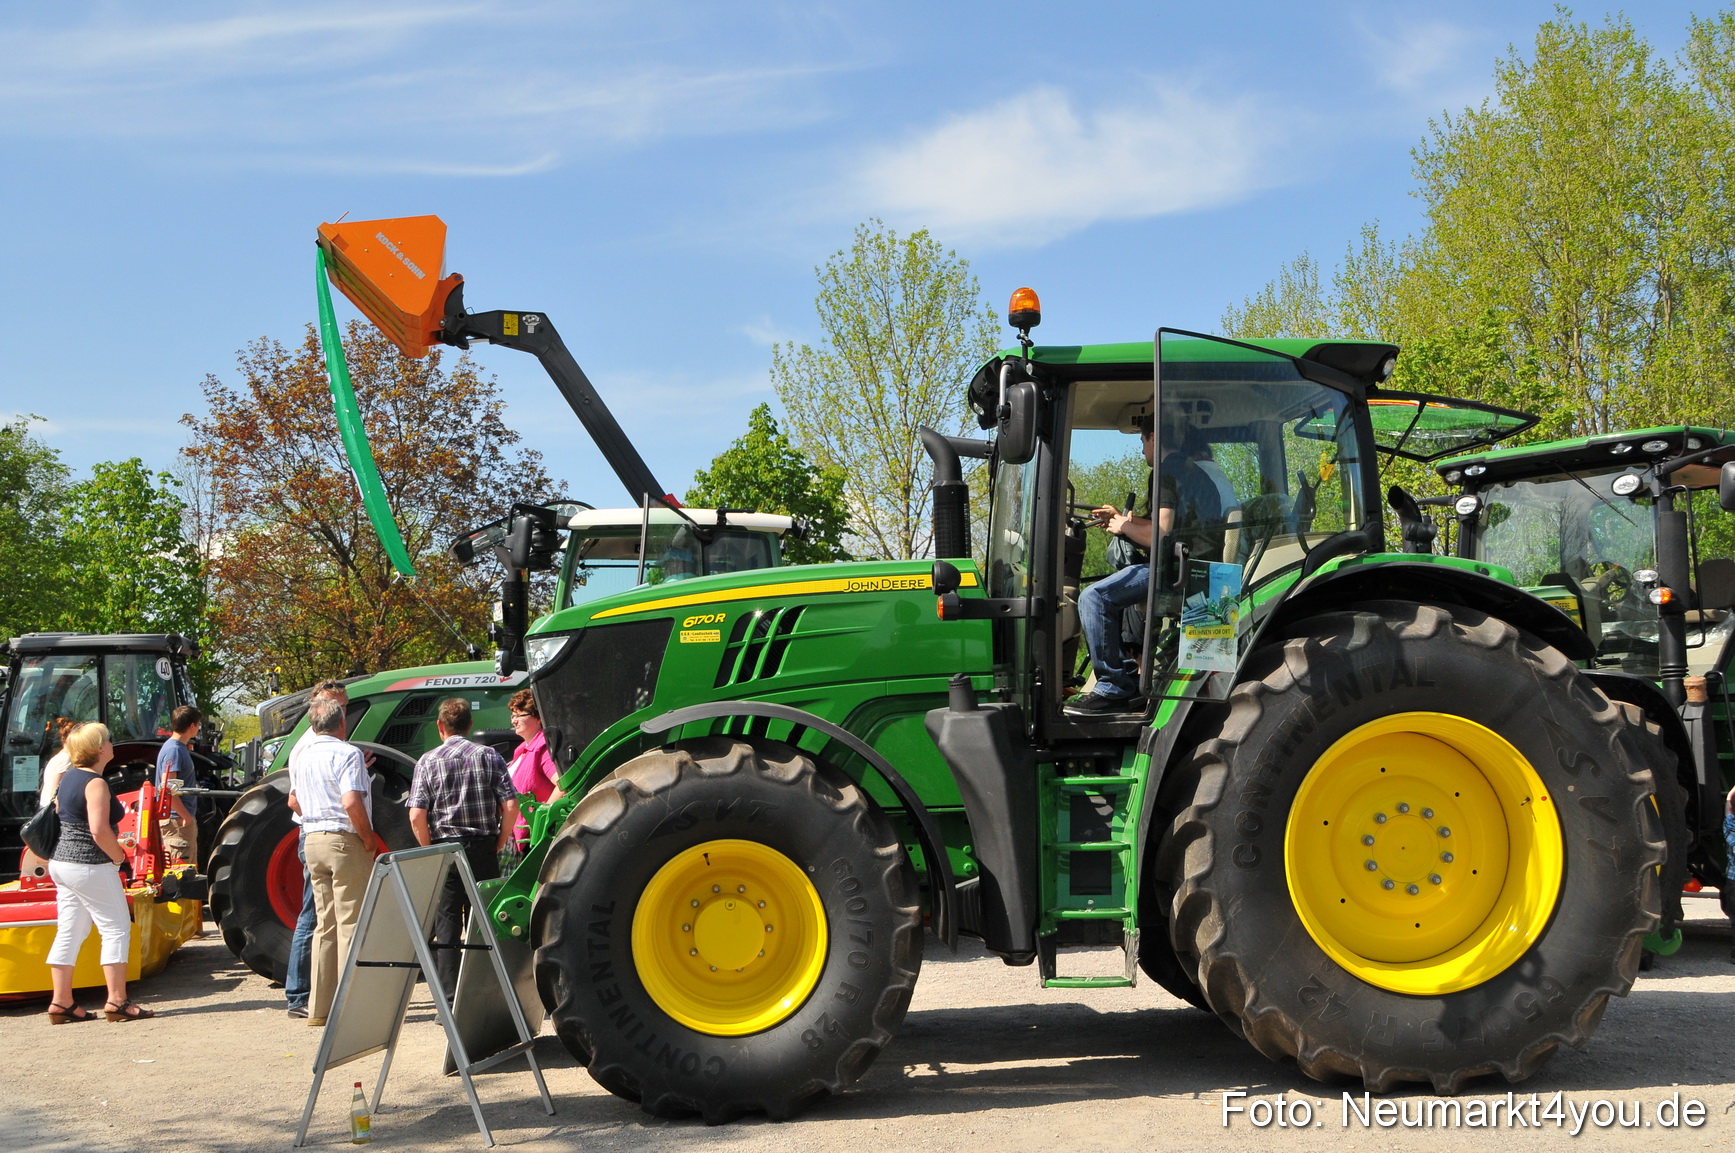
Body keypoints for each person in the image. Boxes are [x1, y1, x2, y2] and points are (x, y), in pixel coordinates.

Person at [1067, 417, 1222, 716]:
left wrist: (1124, 527)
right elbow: (1165, 525)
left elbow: (1159, 534)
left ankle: (1114, 686)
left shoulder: (1164, 472)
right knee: (1117, 587)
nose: (1142, 452)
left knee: (1093, 597)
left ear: (1153, 437)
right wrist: (1121, 518)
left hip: (1179, 572)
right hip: (1198, 566)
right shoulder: (1189, 470)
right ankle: (1127, 677)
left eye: (1141, 443)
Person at [408, 698, 518, 998]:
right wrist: (499, 839)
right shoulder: (489, 756)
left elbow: (416, 814)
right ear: (470, 725)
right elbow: (510, 804)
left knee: (447, 923)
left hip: (445, 849)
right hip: (482, 846)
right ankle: (487, 991)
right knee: (484, 920)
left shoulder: (428, 761)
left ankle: (448, 997)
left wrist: (428, 850)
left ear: (440, 726)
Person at [45, 723, 153, 1023]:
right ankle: (118, 1001)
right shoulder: (95, 783)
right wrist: (119, 857)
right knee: (116, 928)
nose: (112, 743)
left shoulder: (68, 778)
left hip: (63, 864)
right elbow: (98, 830)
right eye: (107, 740)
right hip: (89, 865)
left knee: (70, 930)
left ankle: (62, 1002)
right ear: (99, 749)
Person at [289, 697, 377, 1026]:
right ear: (341, 723)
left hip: (311, 841)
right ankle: (351, 1010)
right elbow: (352, 800)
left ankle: (319, 1009)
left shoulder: (303, 757)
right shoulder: (348, 753)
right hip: (343, 840)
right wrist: (367, 837)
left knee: (324, 926)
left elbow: (293, 800)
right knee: (351, 924)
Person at [284, 680, 351, 1018]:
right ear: (322, 705)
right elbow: (294, 799)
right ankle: (298, 994)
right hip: (321, 835)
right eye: (339, 706)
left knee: (320, 916)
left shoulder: (318, 745)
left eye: (346, 705)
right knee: (315, 916)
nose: (345, 713)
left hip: (314, 835)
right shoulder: (312, 747)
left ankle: (312, 994)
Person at [505, 689, 561, 850]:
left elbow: (562, 784)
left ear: (538, 718)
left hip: (536, 838)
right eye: (512, 716)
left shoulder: (542, 748)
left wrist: (541, 818)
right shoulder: (522, 750)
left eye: (519, 715)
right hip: (519, 836)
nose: (514, 721)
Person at [154, 705, 202, 865]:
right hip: (177, 822)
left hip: (178, 819)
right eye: (199, 724)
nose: (199, 728)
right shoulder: (174, 750)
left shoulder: (176, 748)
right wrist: (186, 817)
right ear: (192, 726)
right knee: (180, 872)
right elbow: (168, 789)